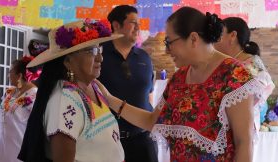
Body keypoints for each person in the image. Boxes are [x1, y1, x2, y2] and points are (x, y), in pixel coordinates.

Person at [94, 7, 265, 162]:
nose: (167, 51)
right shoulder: (180, 77)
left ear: (193, 39)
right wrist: (109, 99)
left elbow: (244, 142)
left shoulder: (233, 75)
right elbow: (152, 120)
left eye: (169, 42)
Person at [17, 19, 125, 162]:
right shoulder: (64, 100)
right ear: (67, 60)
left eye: (100, 49)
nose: (100, 57)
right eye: (92, 51)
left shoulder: (94, 87)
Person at [97, 5, 158, 162]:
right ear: (116, 26)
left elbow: (149, 95)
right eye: (133, 22)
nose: (138, 27)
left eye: (139, 22)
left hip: (143, 140)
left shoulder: (144, 57)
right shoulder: (98, 55)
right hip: (107, 141)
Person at [213, 17, 275, 129]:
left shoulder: (251, 63)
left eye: (219, 34)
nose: (214, 40)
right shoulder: (225, 62)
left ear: (232, 35)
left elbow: (263, 90)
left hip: (243, 127)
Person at [0, 55, 40, 162]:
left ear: (19, 76)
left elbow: (38, 127)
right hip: (1, 147)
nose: (8, 76)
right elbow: (4, 111)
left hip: (19, 150)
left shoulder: (34, 95)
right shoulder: (10, 91)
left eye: (10, 72)